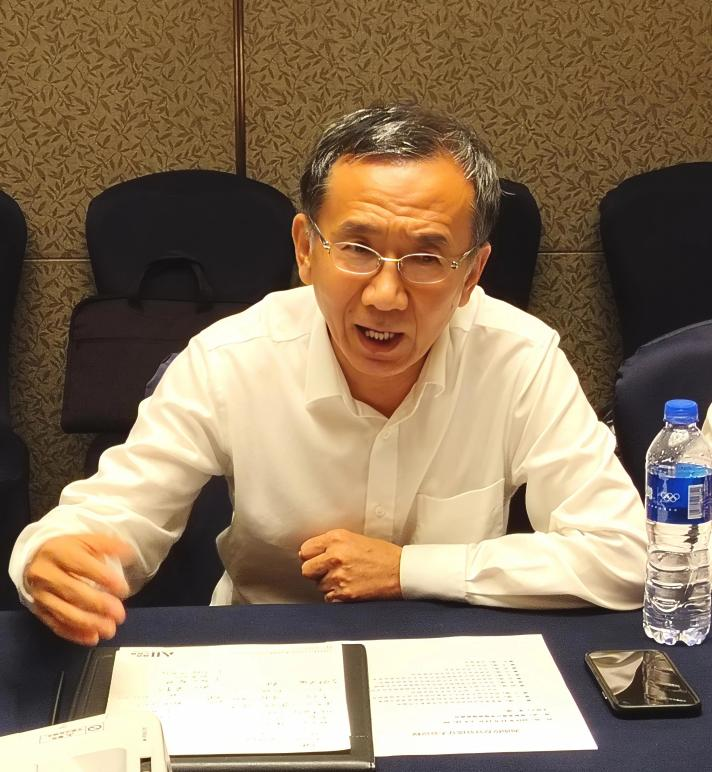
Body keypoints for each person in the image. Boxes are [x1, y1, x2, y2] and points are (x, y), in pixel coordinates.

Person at [9, 104, 647, 646]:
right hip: (265, 653)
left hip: (450, 658)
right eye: (358, 249)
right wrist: (55, 557)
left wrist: (410, 570)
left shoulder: (520, 359)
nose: (385, 296)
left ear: (472, 274)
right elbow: (118, 512)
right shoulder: (231, 359)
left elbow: (623, 556)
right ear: (306, 249)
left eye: (426, 258)